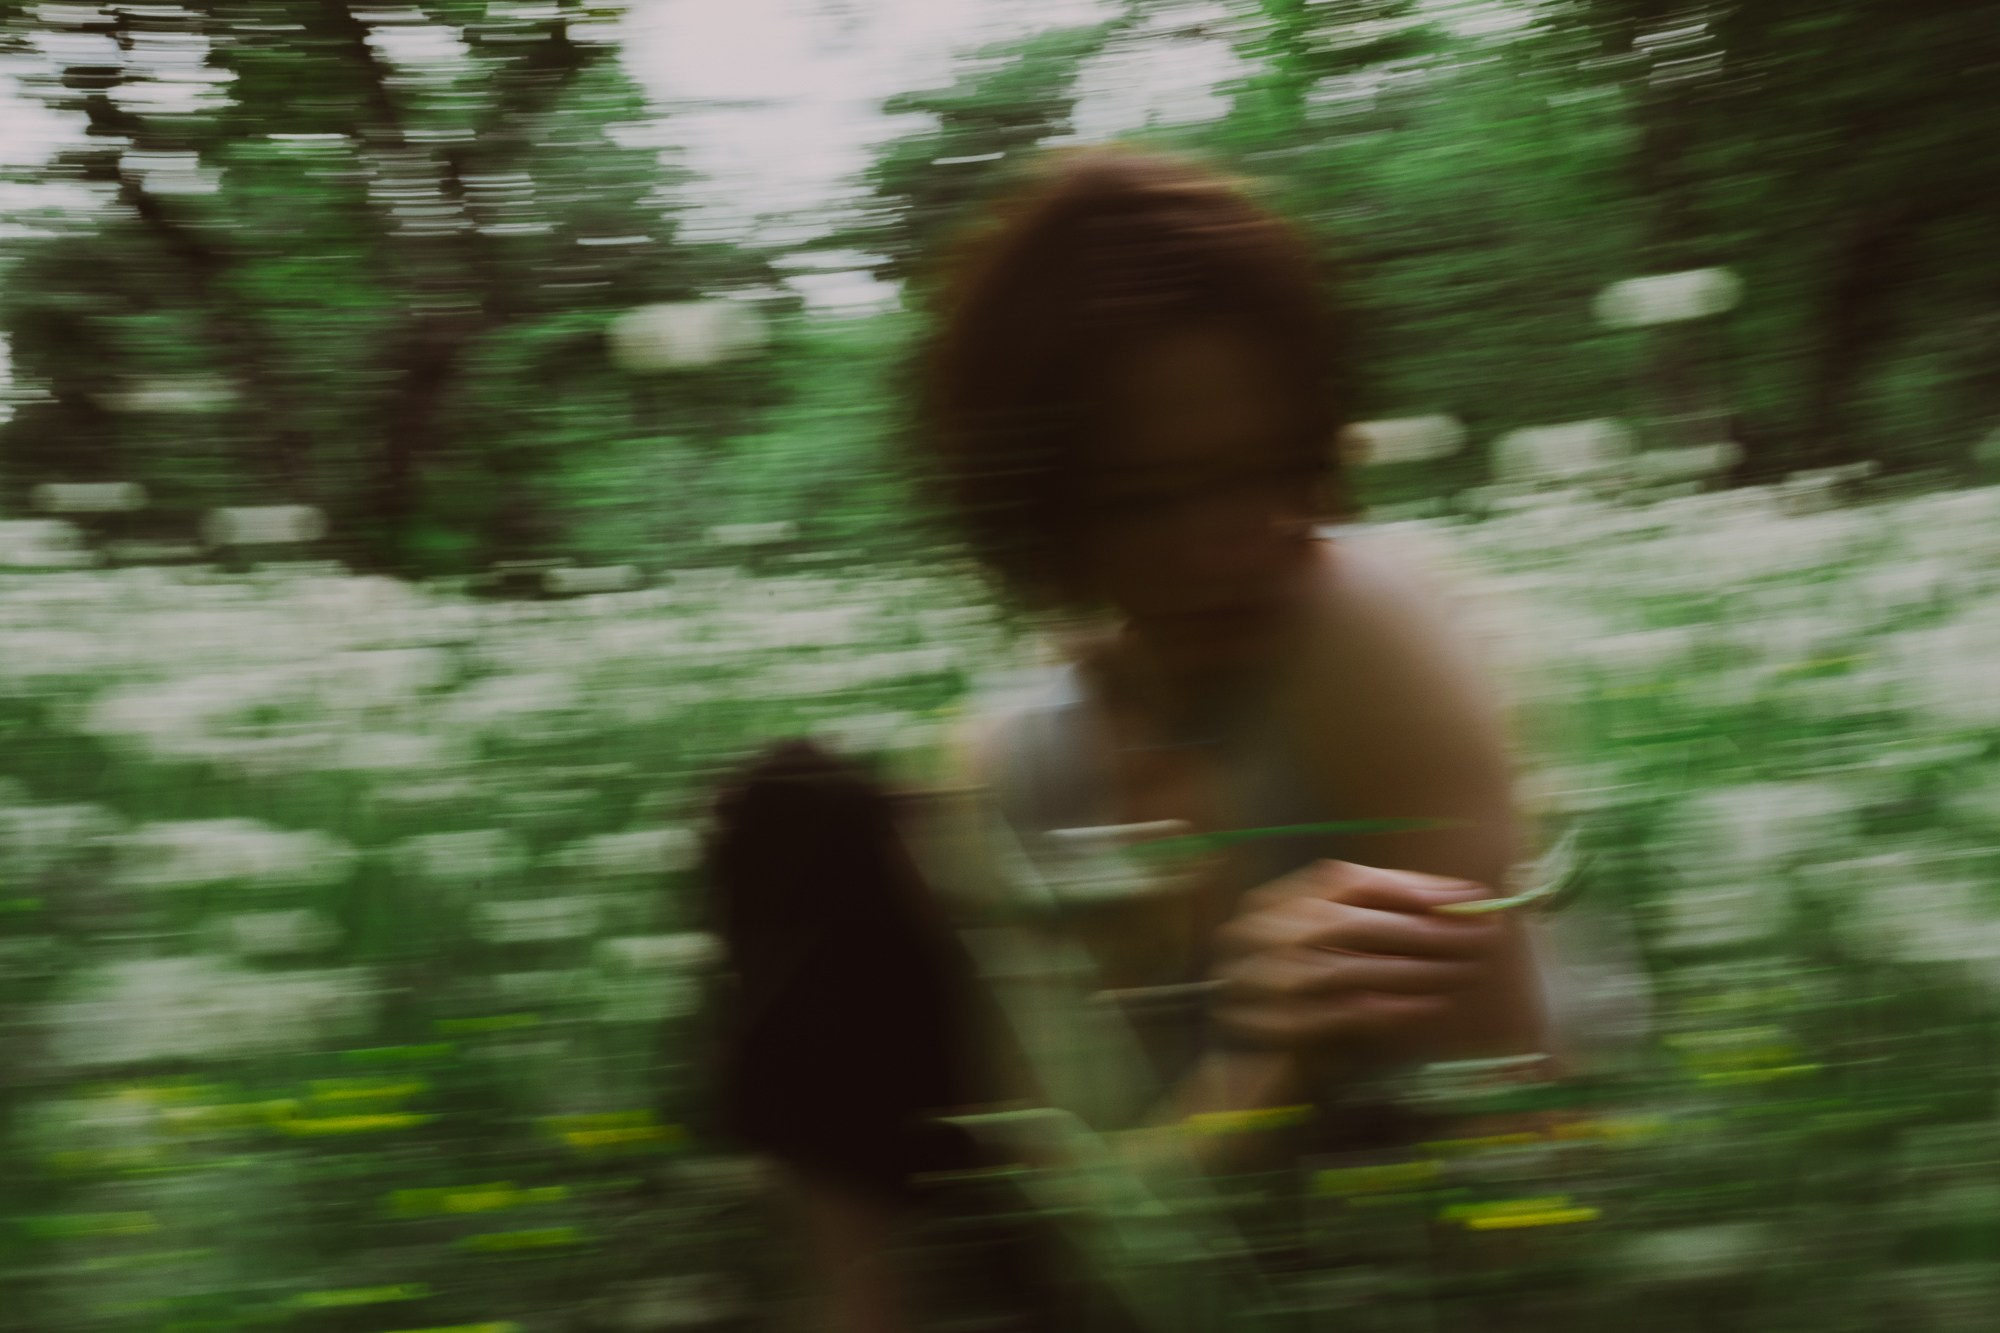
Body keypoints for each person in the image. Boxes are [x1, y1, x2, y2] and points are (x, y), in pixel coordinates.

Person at [746, 142, 1557, 1331]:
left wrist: (1302, 1060)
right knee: (791, 811)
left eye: (1265, 472)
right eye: (1147, 497)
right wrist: (1270, 1068)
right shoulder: (1012, 761)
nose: (1227, 543)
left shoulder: (1358, 629)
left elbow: (1525, 1139)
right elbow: (1099, 1212)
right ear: (1044, 507)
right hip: (1189, 1252)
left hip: (1405, 1239)